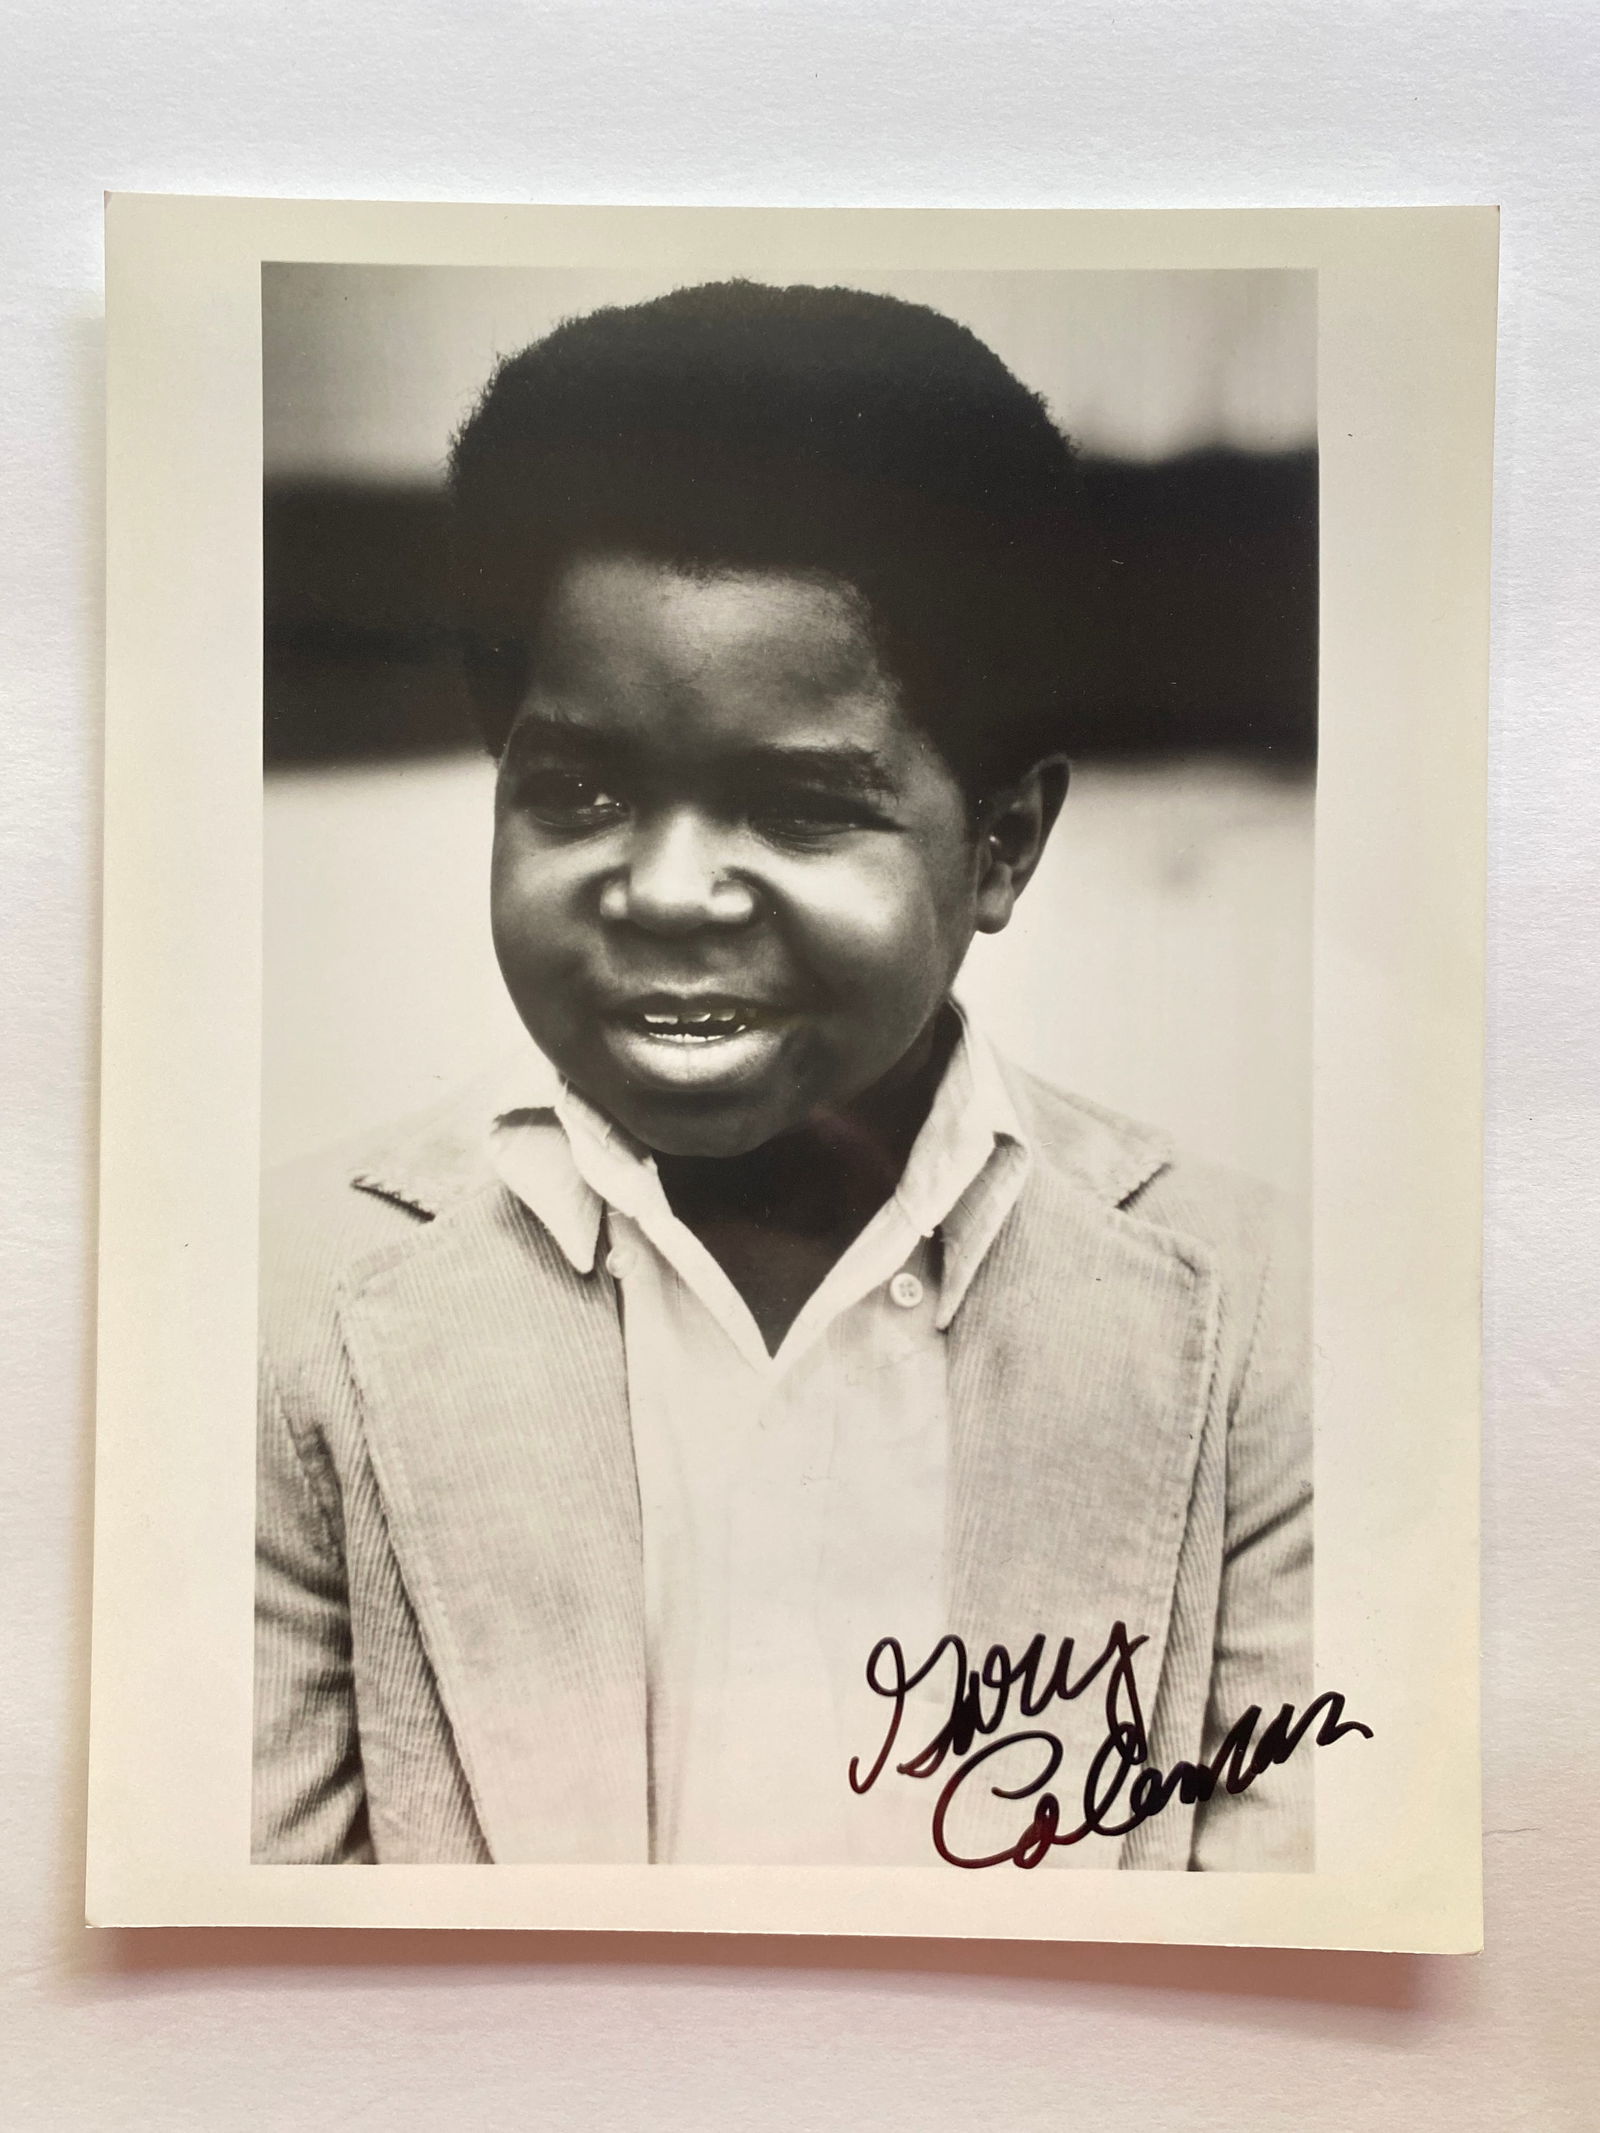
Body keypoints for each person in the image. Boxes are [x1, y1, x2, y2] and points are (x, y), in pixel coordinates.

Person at [254, 281, 1311, 1872]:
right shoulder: (275, 1317)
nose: (669, 889)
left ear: (1005, 839)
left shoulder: (1269, 1329)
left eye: (802, 806)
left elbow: (1266, 2008)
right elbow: (261, 1999)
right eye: (583, 787)